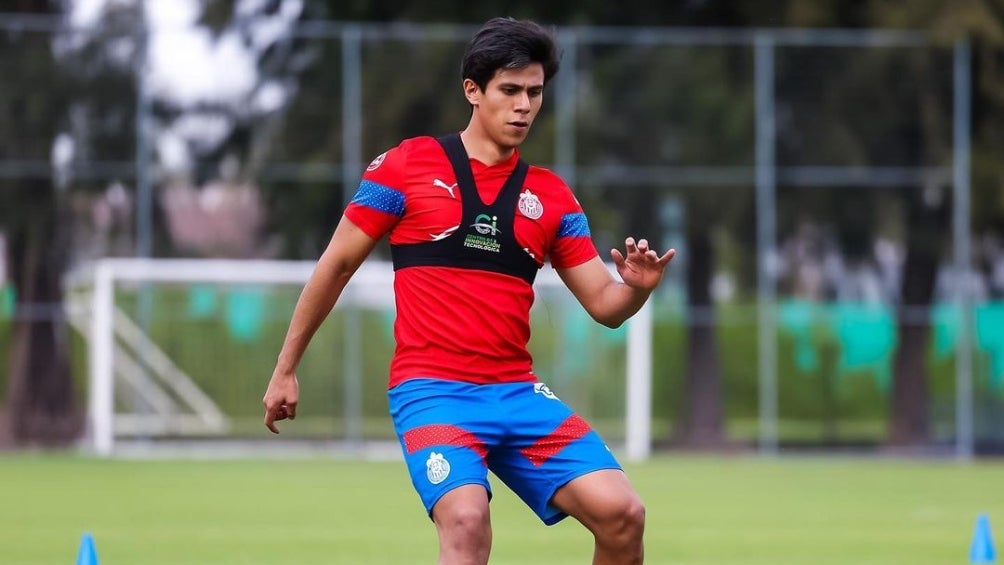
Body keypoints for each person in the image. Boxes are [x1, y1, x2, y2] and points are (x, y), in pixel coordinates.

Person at [262, 16, 675, 565]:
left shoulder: (552, 197)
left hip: (516, 393)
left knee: (624, 514)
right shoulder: (405, 167)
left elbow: (605, 305)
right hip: (433, 393)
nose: (523, 106)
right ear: (473, 91)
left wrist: (637, 289)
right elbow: (335, 265)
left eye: (534, 93)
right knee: (466, 519)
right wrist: (286, 368)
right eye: (510, 90)